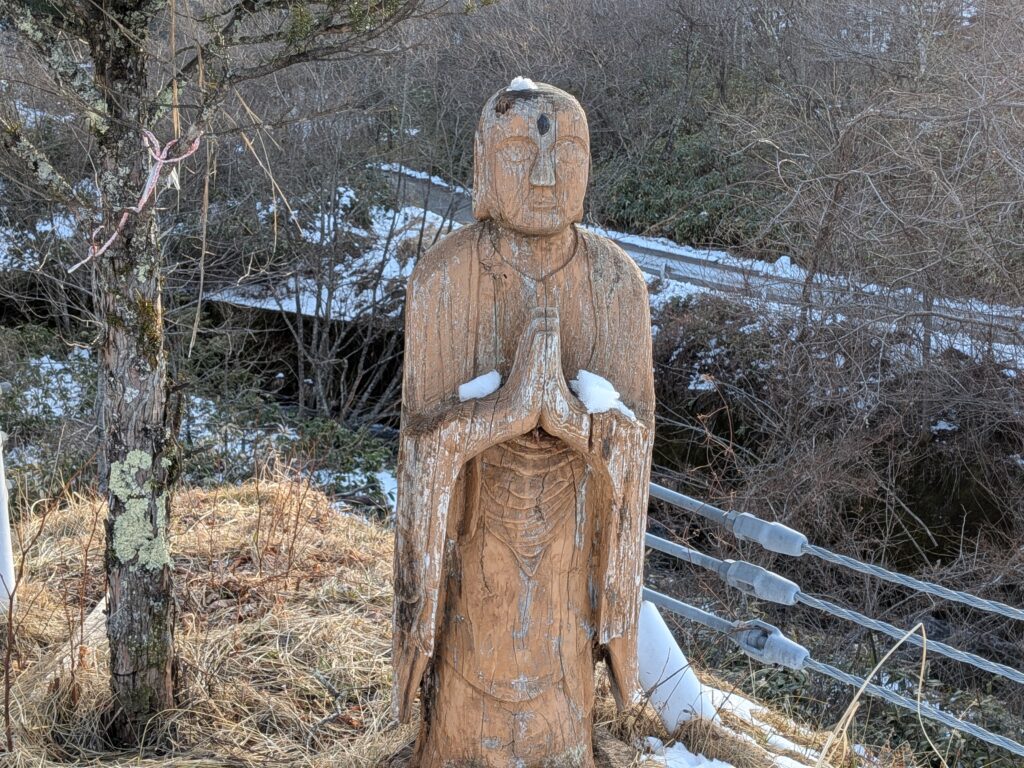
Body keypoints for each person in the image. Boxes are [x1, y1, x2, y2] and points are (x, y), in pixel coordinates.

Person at [393, 80, 655, 767]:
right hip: (473, 570)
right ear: (483, 165)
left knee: (560, 728)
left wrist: (570, 418)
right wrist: (503, 414)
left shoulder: (616, 284)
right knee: (464, 724)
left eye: (566, 153)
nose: (545, 176)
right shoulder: (446, 276)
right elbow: (418, 447)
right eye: (518, 152)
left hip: (568, 583)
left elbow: (636, 447)